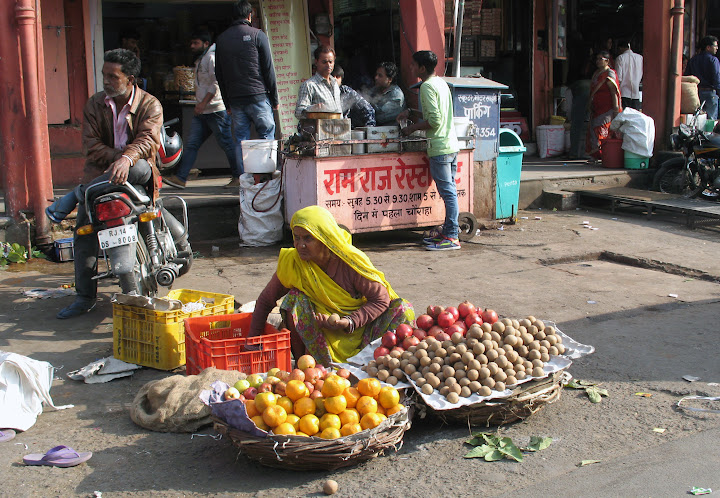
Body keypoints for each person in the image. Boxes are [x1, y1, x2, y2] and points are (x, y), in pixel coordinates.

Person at [45, 49, 168, 318]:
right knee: (84, 233)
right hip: (101, 176)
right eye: (104, 75)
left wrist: (127, 159)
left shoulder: (151, 105)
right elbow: (91, 145)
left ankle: (78, 194)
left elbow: (148, 140)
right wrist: (118, 160)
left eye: (113, 76)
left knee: (137, 167)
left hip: (138, 171)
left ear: (130, 79)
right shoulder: (94, 104)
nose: (107, 81)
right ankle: (84, 296)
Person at [249, 206, 414, 365]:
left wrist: (349, 322)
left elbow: (380, 299)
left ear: (324, 239)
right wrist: (252, 342)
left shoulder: (349, 262)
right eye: (296, 237)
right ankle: (306, 366)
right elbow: (265, 300)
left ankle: (378, 363)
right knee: (294, 300)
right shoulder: (293, 263)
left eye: (308, 238)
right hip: (322, 334)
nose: (300, 245)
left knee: (403, 309)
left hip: (361, 331)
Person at [398, 50, 461, 251]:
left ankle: (452, 236)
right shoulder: (441, 83)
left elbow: (434, 121)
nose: (410, 67)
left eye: (413, 65)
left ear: (422, 68)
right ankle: (448, 231)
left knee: (448, 193)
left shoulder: (426, 87)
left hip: (440, 147)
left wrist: (411, 128)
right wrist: (413, 113)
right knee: (450, 191)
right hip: (451, 144)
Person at [215, 1, 278, 187]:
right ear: (250, 15)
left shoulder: (221, 40)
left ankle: (245, 181)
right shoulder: (258, 35)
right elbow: (268, 70)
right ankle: (265, 179)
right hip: (258, 96)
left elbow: (220, 75)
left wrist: (227, 103)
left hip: (235, 100)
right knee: (266, 135)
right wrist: (274, 99)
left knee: (241, 141)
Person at [163, 32, 236, 190]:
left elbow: (217, 84)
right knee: (192, 144)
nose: (192, 46)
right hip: (203, 111)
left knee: (227, 144)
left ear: (205, 43)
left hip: (215, 109)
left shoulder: (211, 58)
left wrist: (203, 103)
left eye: (195, 43)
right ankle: (181, 178)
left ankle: (239, 176)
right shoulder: (201, 59)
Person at [585, 50, 622, 163]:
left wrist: (615, 109)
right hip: (596, 107)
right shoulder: (597, 73)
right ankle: (595, 155)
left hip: (607, 108)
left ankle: (603, 155)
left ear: (607, 61)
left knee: (601, 130)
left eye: (600, 59)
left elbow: (613, 92)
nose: (598, 61)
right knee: (593, 130)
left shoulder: (609, 73)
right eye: (597, 59)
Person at [295, 45, 342, 118]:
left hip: (337, 128)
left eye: (330, 62)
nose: (328, 65)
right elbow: (298, 112)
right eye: (324, 62)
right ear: (316, 62)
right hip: (320, 128)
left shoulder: (334, 83)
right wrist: (312, 109)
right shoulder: (309, 85)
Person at [685, 35, 720, 120]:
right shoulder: (713, 60)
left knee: (697, 119)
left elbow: (687, 77)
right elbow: (716, 78)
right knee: (710, 120)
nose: (717, 48)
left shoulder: (693, 60)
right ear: (708, 47)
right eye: (715, 46)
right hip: (710, 94)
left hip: (695, 93)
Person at [615, 40, 643, 110]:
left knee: (624, 117)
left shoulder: (620, 58)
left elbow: (619, 78)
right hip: (636, 93)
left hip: (623, 93)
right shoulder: (640, 58)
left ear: (620, 48)